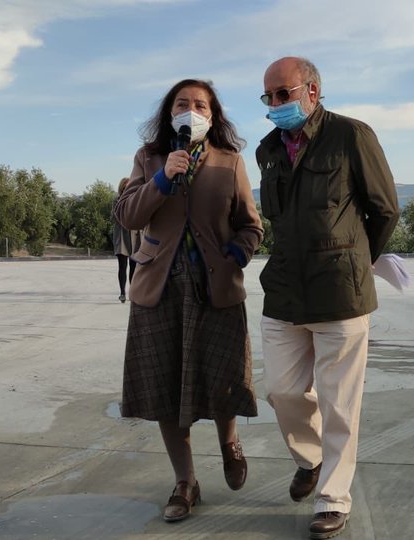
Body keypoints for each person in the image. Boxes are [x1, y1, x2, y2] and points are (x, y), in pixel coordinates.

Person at [255, 57, 399, 540]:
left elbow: (384, 209)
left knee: (340, 404)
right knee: (282, 391)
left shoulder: (351, 135)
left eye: (283, 93)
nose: (275, 104)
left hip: (340, 290)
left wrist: (358, 258)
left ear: (312, 91)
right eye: (268, 97)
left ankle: (333, 498)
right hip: (284, 291)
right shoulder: (267, 150)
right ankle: (311, 458)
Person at [113, 78, 263, 522]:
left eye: (200, 104)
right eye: (183, 103)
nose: (191, 110)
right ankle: (185, 482)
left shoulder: (230, 161)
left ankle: (229, 442)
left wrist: (238, 252)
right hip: (160, 289)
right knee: (165, 388)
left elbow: (251, 225)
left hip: (214, 286)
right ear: (169, 112)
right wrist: (162, 178)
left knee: (224, 376)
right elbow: (128, 214)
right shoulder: (150, 158)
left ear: (213, 116)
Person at [112, 177, 141, 303]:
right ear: (121, 188)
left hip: (135, 236)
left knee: (134, 267)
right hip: (122, 237)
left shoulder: (136, 198)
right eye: (125, 187)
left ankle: (133, 292)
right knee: (122, 266)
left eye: (129, 186)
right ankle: (122, 292)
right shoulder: (116, 200)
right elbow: (114, 217)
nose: (127, 188)